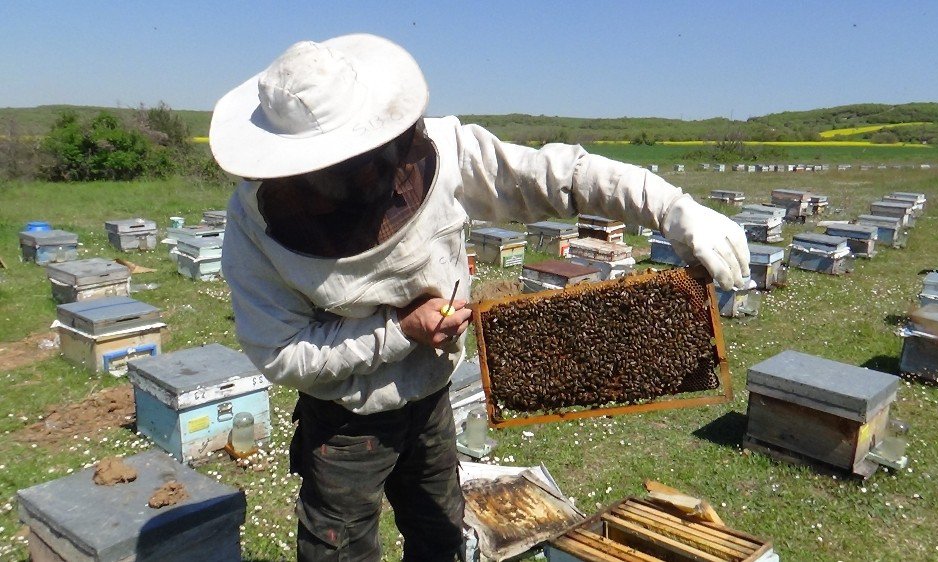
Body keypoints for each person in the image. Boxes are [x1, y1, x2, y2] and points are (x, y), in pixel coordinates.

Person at [209, 33, 749, 561]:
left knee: (441, 536)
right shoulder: (254, 225)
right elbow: (282, 351)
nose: (364, 175)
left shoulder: (445, 152)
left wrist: (671, 208)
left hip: (431, 401)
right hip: (345, 421)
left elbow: (558, 176)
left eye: (368, 156)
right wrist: (399, 332)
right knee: (339, 550)